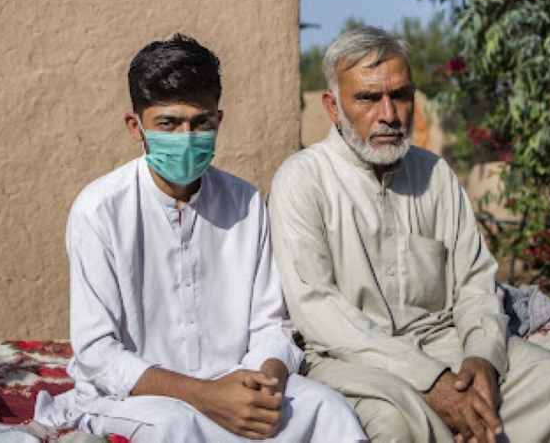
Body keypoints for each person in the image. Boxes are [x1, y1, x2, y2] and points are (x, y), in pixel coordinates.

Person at [267, 27, 550, 443]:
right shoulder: (302, 180)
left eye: (400, 95)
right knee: (395, 424)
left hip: (445, 343)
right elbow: (318, 311)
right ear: (333, 107)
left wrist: (482, 359)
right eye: (368, 98)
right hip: (351, 359)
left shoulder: (435, 174)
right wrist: (430, 379)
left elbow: (475, 282)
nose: (389, 113)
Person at [34, 34, 365, 442]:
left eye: (201, 122)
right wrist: (204, 396)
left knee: (327, 408)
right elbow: (97, 354)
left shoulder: (246, 202)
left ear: (218, 121)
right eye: (168, 124)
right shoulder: (99, 210)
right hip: (137, 397)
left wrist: (263, 386)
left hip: (237, 383)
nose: (187, 137)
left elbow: (271, 325)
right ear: (135, 127)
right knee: (176, 428)